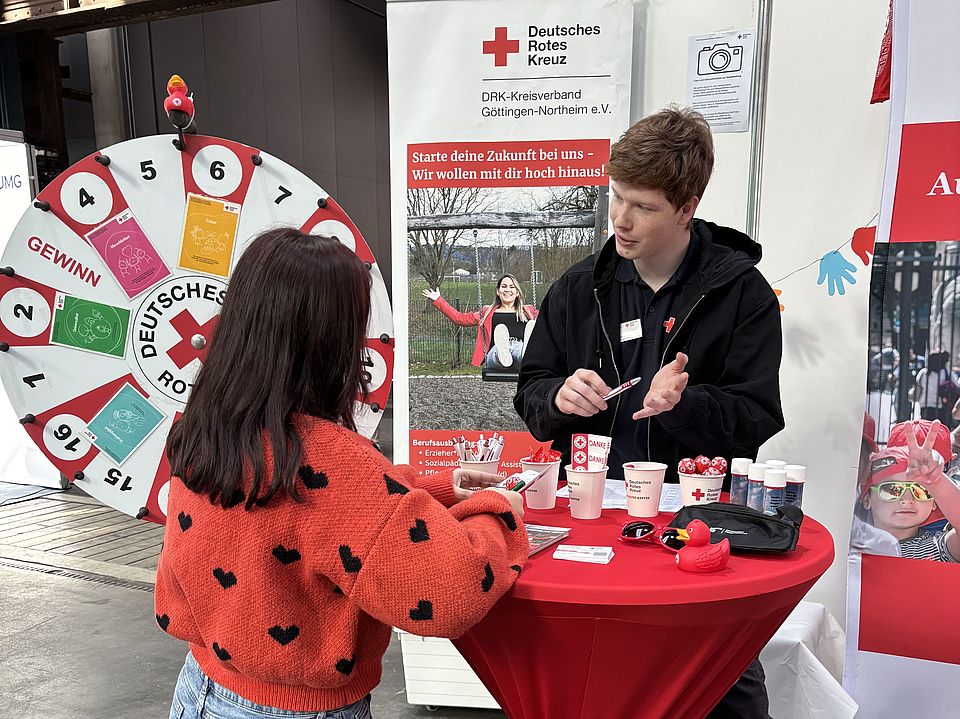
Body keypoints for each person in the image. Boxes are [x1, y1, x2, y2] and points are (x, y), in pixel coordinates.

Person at [156, 229, 528, 719]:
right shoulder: (333, 460)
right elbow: (451, 592)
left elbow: (312, 516)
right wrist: (499, 513)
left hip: (199, 690)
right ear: (330, 340)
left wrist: (435, 490)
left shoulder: (207, 431)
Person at [514, 106, 783, 719]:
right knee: (591, 675)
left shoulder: (743, 295)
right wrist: (556, 398)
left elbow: (756, 416)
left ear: (687, 207)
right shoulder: (579, 289)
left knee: (718, 679)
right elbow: (530, 391)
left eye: (644, 206)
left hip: (697, 523)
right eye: (615, 197)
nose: (621, 220)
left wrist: (686, 406)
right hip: (593, 517)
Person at [859, 420, 960, 562]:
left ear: (934, 502)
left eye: (921, 490)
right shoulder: (849, 545)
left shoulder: (938, 548)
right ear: (867, 499)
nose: (907, 500)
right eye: (891, 490)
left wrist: (936, 482)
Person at [423, 274, 537, 369]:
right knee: (498, 352)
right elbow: (459, 318)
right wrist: (438, 300)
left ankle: (526, 352)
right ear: (498, 291)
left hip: (519, 350)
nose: (507, 290)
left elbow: (551, 316)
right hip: (496, 353)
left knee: (520, 350)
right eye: (504, 286)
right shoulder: (486, 313)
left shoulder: (529, 313)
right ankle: (505, 354)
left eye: (512, 287)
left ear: (517, 292)